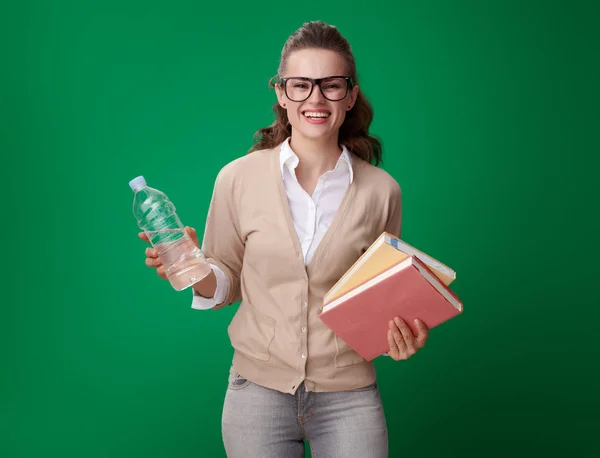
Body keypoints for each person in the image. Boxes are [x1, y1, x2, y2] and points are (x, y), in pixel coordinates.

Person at [140, 20, 429, 458]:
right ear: (280, 93)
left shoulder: (382, 191)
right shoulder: (237, 177)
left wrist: (400, 335)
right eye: (300, 85)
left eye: (331, 85)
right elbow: (225, 286)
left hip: (349, 397)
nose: (315, 99)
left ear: (349, 96)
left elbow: (379, 297)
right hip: (256, 393)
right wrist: (194, 268)